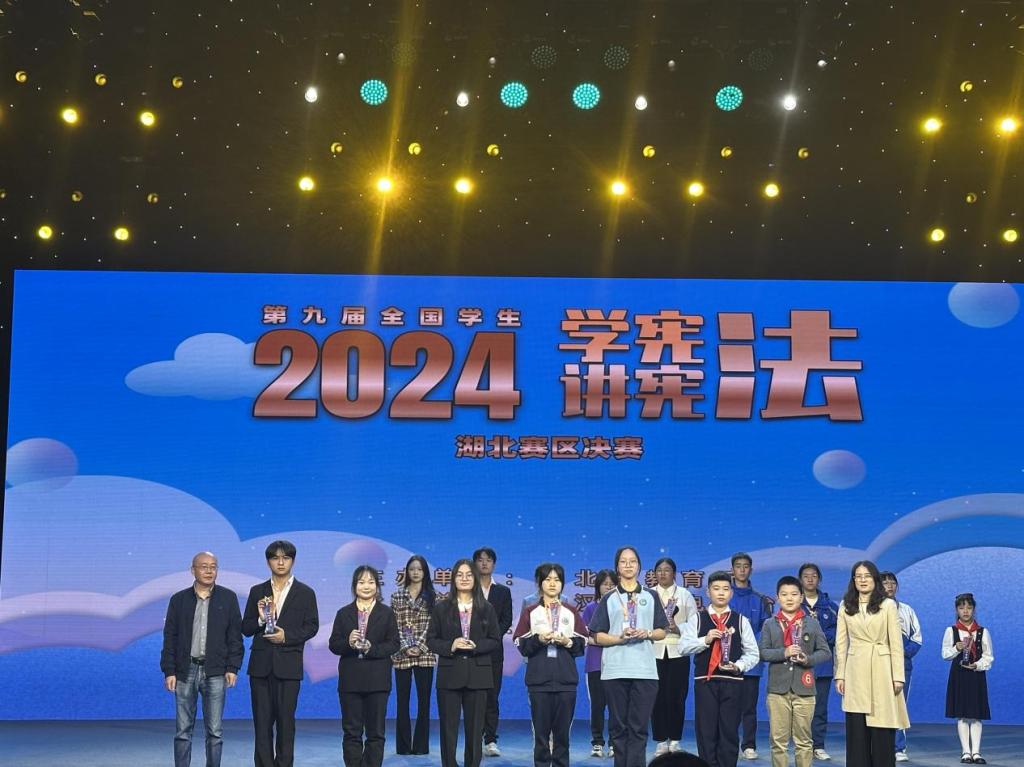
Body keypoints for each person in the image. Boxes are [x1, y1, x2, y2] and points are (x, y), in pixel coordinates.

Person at [588, 546, 670, 767]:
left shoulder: (650, 596)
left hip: (645, 671)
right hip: (615, 670)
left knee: (639, 728)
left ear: (639, 566)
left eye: (632, 561)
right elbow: (596, 635)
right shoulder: (609, 598)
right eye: (623, 562)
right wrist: (619, 638)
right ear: (617, 567)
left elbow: (662, 630)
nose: (628, 565)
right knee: (618, 728)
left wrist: (648, 633)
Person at [242, 540, 321, 767]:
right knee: (262, 724)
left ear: (292, 561)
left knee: (286, 723)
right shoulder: (257, 591)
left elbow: (312, 627)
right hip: (261, 667)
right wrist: (260, 620)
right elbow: (246, 628)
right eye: (275, 558)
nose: (280, 562)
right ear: (268, 561)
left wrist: (286, 636)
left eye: (285, 558)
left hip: (289, 666)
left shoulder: (305, 593)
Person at [161, 551, 243, 767]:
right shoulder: (179, 600)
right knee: (183, 731)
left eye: (213, 566)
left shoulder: (228, 598)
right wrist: (169, 670)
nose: (209, 571)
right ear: (193, 570)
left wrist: (232, 667)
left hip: (215, 671)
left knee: (215, 732)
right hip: (185, 671)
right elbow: (170, 637)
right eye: (204, 566)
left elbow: (235, 637)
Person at [679, 570, 761, 767]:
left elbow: (753, 653)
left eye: (725, 589)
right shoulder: (697, 619)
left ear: (731, 593)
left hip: (732, 682)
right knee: (706, 731)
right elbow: (682, 647)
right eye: (716, 589)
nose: (721, 593)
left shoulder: (741, 620)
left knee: (729, 730)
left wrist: (738, 666)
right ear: (708, 592)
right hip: (705, 682)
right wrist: (705, 640)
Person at [427, 558, 502, 767]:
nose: (464, 578)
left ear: (475, 578)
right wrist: (451, 645)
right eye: (459, 575)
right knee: (448, 729)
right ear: (453, 579)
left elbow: (495, 640)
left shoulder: (486, 608)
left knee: (475, 729)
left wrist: (476, 646)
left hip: (478, 675)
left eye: (469, 574)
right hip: (450, 674)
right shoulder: (442, 608)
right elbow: (431, 640)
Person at [833, 561, 908, 767]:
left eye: (867, 576)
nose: (863, 580)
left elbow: (896, 643)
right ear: (853, 580)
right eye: (858, 576)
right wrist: (840, 674)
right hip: (856, 669)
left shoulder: (887, 605)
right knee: (857, 730)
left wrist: (898, 676)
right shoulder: (846, 605)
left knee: (882, 727)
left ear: (875, 579)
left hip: (883, 669)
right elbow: (841, 643)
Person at [513, 562, 588, 767]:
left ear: (562, 584)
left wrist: (567, 641)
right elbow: (520, 643)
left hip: (566, 682)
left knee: (563, 736)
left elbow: (582, 643)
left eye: (557, 579)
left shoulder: (571, 611)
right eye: (548, 579)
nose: (552, 583)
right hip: (539, 682)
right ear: (539, 583)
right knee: (541, 736)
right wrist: (539, 639)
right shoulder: (531, 611)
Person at [329, 565, 400, 767]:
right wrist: (348, 643)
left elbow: (394, 644)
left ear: (377, 586)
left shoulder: (386, 613)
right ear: (354, 586)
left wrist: (371, 648)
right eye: (361, 582)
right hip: (350, 681)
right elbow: (334, 645)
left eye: (371, 582)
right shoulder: (343, 613)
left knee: (375, 733)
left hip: (377, 681)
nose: (366, 586)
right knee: (352, 732)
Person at [759, 576, 831, 767]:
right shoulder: (770, 624)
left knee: (804, 741)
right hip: (777, 691)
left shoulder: (812, 623)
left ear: (801, 597)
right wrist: (784, 652)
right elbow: (763, 653)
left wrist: (808, 659)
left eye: (793, 594)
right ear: (778, 597)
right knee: (778, 741)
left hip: (805, 689)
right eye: (784, 594)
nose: (789, 598)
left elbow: (825, 652)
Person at [651, 557, 700, 756]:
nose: (663, 573)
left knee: (677, 696)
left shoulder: (684, 595)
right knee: (657, 697)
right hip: (653, 652)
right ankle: (660, 740)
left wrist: (677, 627)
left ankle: (675, 739)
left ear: (674, 573)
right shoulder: (648, 594)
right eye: (659, 570)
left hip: (678, 652)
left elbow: (694, 624)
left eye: (667, 570)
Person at [729, 552, 774, 761]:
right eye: (738, 566)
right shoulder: (725, 595)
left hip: (751, 663)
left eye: (745, 566)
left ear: (751, 570)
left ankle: (748, 745)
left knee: (749, 707)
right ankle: (728, 743)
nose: (742, 569)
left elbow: (766, 630)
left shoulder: (760, 600)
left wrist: (750, 648)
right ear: (732, 570)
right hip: (727, 661)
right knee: (728, 707)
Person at [391, 555, 438, 755]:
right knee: (402, 702)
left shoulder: (433, 597)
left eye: (419, 569)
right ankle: (403, 746)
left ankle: (420, 746)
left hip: (425, 654)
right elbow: (393, 625)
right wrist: (405, 647)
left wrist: (419, 646)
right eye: (412, 569)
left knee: (424, 702)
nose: (416, 572)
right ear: (407, 572)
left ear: (425, 572)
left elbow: (433, 626)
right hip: (402, 654)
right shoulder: (397, 596)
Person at [942, 593, 993, 765]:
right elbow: (945, 654)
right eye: (961, 607)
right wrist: (956, 648)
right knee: (962, 714)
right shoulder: (951, 631)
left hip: (976, 675)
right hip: (959, 675)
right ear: (956, 610)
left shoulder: (982, 632)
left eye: (969, 608)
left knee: (976, 715)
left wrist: (977, 665)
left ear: (974, 609)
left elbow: (988, 656)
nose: (965, 611)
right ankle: (966, 752)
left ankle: (976, 752)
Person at [474, 547, 514, 757]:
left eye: (488, 560)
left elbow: (507, 619)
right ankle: (474, 737)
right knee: (474, 697)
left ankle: (490, 739)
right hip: (471, 650)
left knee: (492, 696)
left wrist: (491, 637)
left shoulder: (502, 591)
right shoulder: (468, 589)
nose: (484, 563)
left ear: (494, 564)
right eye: (480, 560)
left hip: (493, 652)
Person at [798, 563, 839, 762]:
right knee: (800, 707)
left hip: (822, 665)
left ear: (819, 579)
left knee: (820, 708)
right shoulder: (794, 604)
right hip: (800, 664)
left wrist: (819, 639)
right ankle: (802, 744)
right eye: (806, 576)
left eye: (814, 575)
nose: (810, 579)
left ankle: (818, 745)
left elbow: (839, 631)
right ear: (800, 580)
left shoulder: (831, 606)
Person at [879, 572, 921, 762]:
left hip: (902, 666)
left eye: (892, 582)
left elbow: (917, 639)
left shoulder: (907, 610)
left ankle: (898, 747)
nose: (889, 586)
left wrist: (901, 653)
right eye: (885, 582)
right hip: (878, 665)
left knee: (899, 705)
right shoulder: (872, 609)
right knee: (878, 706)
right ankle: (879, 745)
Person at [581, 569, 618, 758]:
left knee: (615, 706)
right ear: (598, 587)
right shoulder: (590, 608)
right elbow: (584, 636)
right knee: (597, 705)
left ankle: (614, 743)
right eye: (605, 584)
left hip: (616, 663)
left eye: (612, 584)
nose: (608, 588)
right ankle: (597, 743)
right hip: (595, 664)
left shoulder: (621, 609)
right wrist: (604, 641)